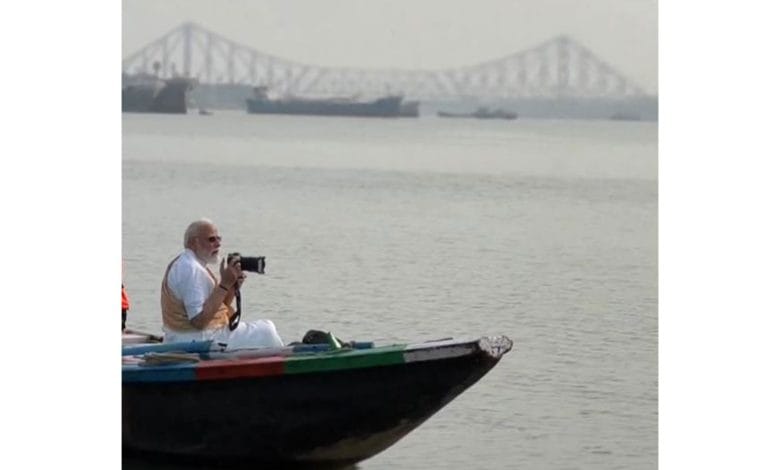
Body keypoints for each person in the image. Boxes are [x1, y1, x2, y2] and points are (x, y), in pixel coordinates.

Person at [160, 218, 285, 350]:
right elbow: (198, 321)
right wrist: (224, 284)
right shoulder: (190, 268)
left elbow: (216, 308)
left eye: (219, 239)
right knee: (267, 330)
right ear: (195, 242)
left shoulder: (193, 264)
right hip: (196, 338)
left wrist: (231, 286)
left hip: (197, 335)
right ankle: (286, 359)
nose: (218, 244)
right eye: (211, 239)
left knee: (265, 328)